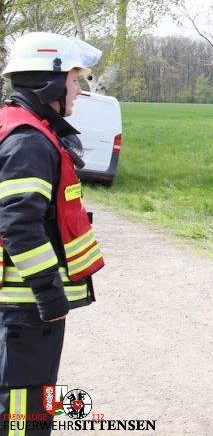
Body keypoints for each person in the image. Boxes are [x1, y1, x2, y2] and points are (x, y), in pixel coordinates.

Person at [0, 32, 105, 433]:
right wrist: (48, 292)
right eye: (75, 80)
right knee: (24, 407)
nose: (78, 90)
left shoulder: (18, 126)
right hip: (25, 304)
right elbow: (18, 225)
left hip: (21, 304)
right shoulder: (28, 141)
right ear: (50, 82)